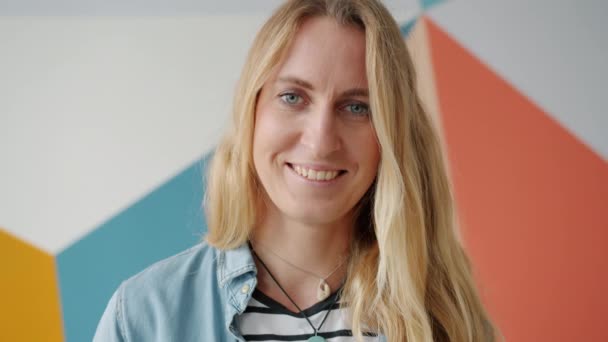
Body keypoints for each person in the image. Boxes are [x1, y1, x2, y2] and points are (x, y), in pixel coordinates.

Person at [94, 0, 498, 341]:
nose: (321, 140)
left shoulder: (446, 317)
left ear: (392, 133)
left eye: (357, 107)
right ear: (252, 111)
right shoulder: (144, 318)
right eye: (293, 97)